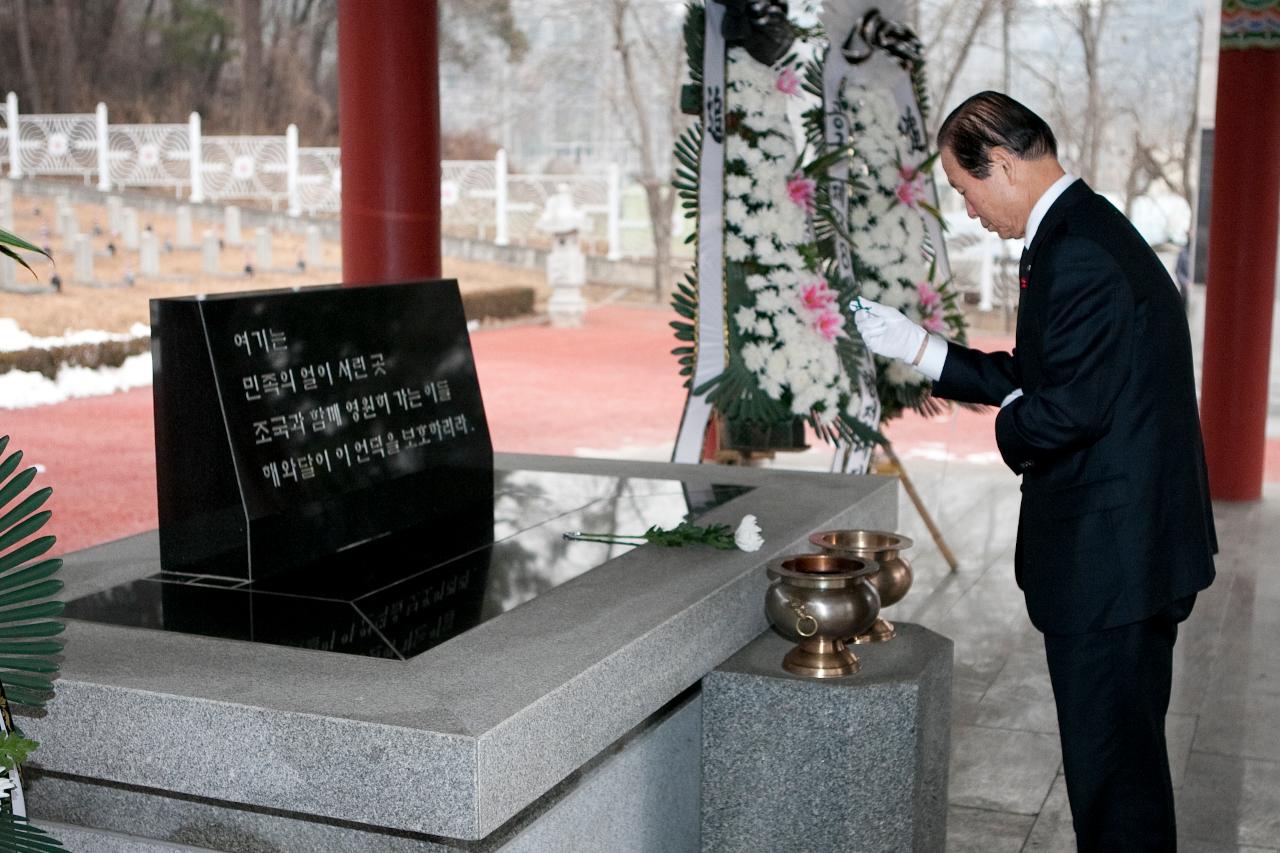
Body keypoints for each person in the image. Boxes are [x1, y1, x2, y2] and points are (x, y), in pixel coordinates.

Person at [853, 91, 1216, 852]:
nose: (969, 209)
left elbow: (1062, 410)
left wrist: (1017, 419)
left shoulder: (1078, 249)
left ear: (1007, 163)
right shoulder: (1078, 229)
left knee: (1113, 778)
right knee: (1124, 771)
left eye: (965, 187)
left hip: (1112, 560)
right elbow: (1043, 373)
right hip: (1129, 551)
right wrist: (924, 350)